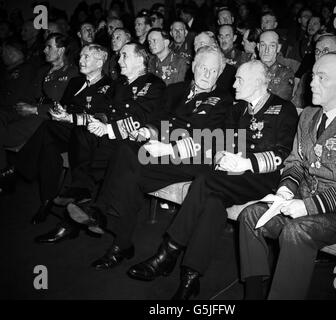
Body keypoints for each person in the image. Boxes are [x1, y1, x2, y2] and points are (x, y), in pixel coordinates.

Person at [127, 60, 298, 300]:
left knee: (204, 179)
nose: (233, 83)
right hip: (231, 175)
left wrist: (245, 163)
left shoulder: (283, 108)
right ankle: (191, 276)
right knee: (212, 204)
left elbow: (283, 154)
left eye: (239, 79)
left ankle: (168, 252)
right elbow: (221, 142)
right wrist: (222, 157)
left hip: (262, 178)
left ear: (258, 82)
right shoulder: (237, 109)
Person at [67, 45, 232, 271]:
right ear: (193, 66)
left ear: (220, 73)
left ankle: (102, 214)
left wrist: (168, 148)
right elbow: (157, 120)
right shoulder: (175, 90)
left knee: (129, 168)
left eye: (214, 71)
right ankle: (119, 242)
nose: (207, 75)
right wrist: (146, 132)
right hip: (162, 152)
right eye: (203, 68)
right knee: (127, 155)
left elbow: (211, 139)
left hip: (191, 157)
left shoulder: (223, 100)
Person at [238, 53, 336, 300]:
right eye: (313, 76)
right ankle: (253, 293)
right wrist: (285, 191)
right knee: (250, 215)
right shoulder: (307, 116)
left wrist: (306, 206)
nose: (312, 83)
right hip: (304, 201)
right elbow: (295, 162)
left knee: (296, 230)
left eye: (322, 78)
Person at [34, 43, 166, 243]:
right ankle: (81, 191)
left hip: (132, 142)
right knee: (81, 133)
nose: (118, 60)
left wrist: (108, 129)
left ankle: (79, 214)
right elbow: (102, 112)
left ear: (140, 60)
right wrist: (72, 118)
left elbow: (140, 116)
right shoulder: (120, 84)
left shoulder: (153, 84)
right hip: (110, 138)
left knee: (100, 152)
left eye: (124, 56)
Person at [0, 44, 112, 222]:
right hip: (66, 131)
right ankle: (47, 200)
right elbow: (65, 105)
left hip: (87, 136)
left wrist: (68, 116)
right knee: (49, 147)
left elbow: (99, 117)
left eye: (86, 57)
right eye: (80, 56)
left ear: (100, 62)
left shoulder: (109, 86)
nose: (80, 60)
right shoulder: (75, 82)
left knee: (48, 133)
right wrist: (59, 111)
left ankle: (18, 171)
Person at [0, 34, 78, 173]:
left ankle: (6, 172)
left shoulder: (72, 73)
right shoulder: (42, 70)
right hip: (28, 109)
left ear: (60, 50)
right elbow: (31, 94)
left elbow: (63, 106)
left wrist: (34, 109)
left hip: (46, 116)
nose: (44, 50)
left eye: (49, 47)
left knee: (6, 136)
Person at [257, 31, 294, 101]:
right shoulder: (248, 69)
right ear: (258, 47)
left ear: (278, 48)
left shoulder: (285, 73)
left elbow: (281, 101)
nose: (266, 50)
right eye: (263, 45)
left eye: (272, 46)